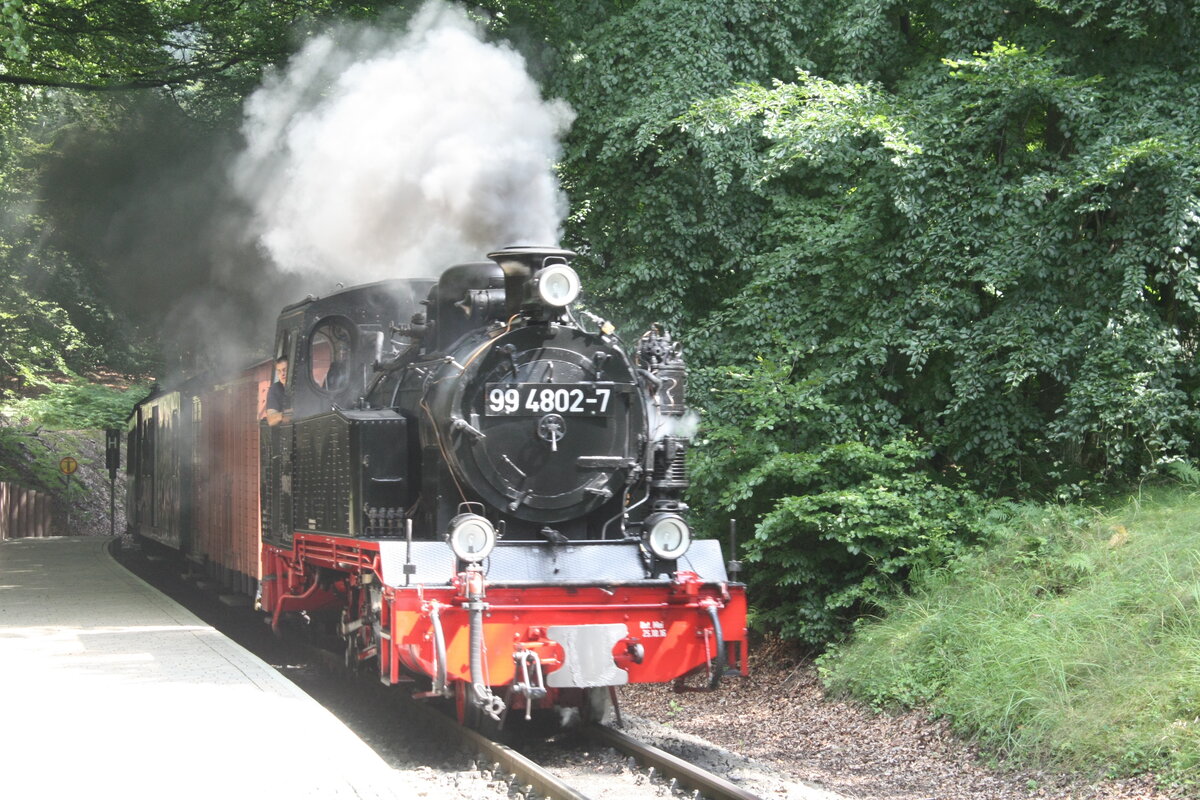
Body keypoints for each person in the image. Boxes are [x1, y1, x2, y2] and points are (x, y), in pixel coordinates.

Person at [265, 357, 289, 426]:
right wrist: (286, 415)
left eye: (285, 370)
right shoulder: (274, 389)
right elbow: (271, 419)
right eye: (279, 371)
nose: (282, 374)